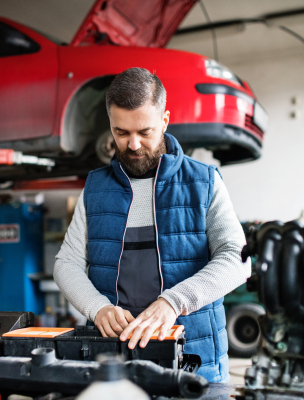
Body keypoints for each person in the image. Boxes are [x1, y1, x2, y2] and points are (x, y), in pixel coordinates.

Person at [54, 67, 250, 382]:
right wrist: (98, 308)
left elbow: (236, 259)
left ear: (164, 121)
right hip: (115, 359)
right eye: (121, 132)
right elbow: (67, 263)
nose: (133, 145)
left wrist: (173, 301)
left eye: (144, 132)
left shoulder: (204, 181)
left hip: (195, 360)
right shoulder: (95, 189)